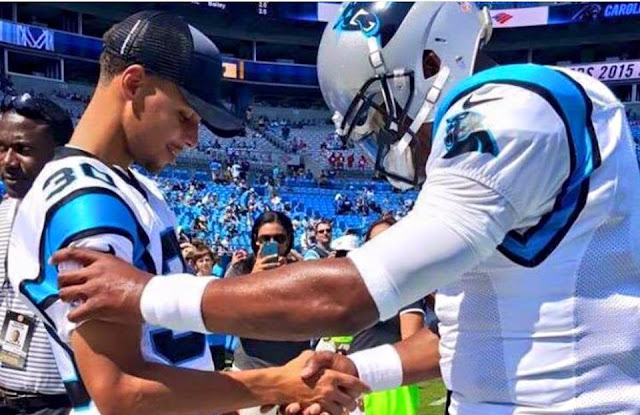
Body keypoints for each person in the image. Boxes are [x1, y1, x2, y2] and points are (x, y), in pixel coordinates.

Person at [48, 3, 640, 414]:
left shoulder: (515, 104)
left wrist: (143, 294)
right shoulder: (487, 172)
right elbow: (464, 338)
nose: (383, 140)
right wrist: (359, 374)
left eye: (379, 114)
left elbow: (346, 298)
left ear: (431, 63)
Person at [8, 11, 365, 415]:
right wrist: (277, 384)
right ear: (134, 84)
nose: (193, 138)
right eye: (184, 116)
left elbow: (177, 352)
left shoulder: (130, 186)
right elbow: (121, 393)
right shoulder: (86, 200)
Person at [0, 94, 73, 414]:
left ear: (57, 155)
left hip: (55, 403)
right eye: (2, 148)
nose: (8, 161)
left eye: (23, 150)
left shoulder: (79, 222)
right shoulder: (2, 214)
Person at [224, 211, 311, 415]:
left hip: (295, 373)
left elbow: (312, 315)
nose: (272, 243)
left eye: (279, 238)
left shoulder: (303, 273)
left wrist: (288, 280)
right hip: (250, 373)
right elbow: (225, 314)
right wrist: (254, 279)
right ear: (256, 240)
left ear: (288, 240)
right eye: (265, 238)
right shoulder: (240, 270)